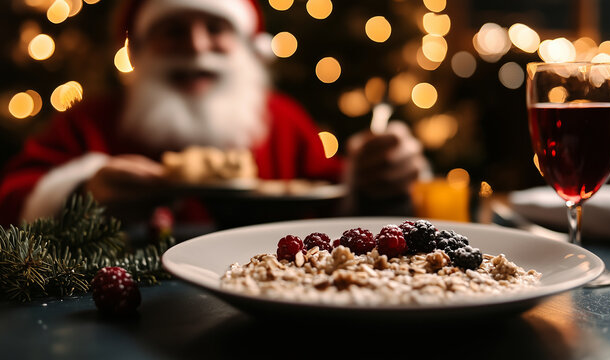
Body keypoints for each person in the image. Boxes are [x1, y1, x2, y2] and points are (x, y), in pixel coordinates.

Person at [0, 0, 430, 228]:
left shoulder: (282, 120)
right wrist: (81, 194)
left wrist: (381, 177)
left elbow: (336, 194)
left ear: (246, 44)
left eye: (216, 28)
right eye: (173, 29)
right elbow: (13, 197)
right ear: (143, 49)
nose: (197, 46)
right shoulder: (91, 121)